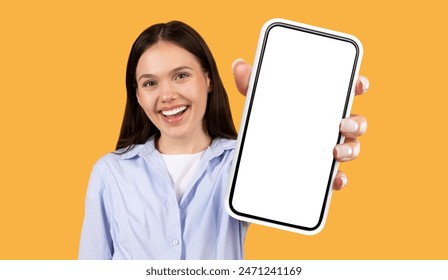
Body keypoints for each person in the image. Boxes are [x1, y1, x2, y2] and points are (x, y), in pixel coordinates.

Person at [78, 21, 369, 260]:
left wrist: (303, 130)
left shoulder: (240, 161)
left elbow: (289, 187)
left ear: (208, 80)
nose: (166, 95)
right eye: (150, 83)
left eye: (180, 76)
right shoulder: (111, 172)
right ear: (139, 95)